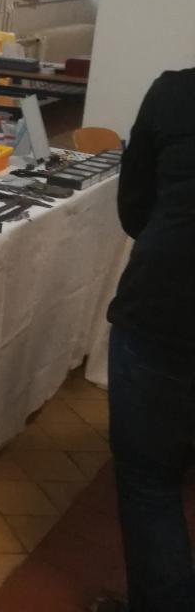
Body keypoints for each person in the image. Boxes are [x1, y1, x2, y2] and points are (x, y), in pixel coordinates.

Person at [101, 68, 195, 611]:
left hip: (164, 307)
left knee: (149, 482)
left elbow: (134, 207)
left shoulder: (176, 92)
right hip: (164, 310)